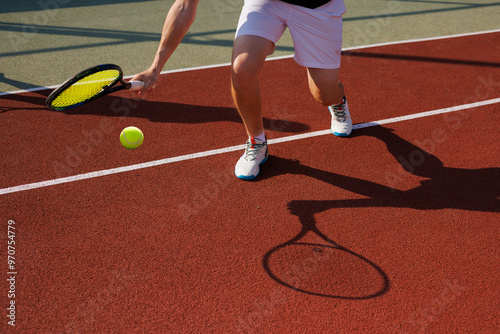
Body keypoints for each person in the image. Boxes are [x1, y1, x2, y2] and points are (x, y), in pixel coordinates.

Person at [132, 0, 352, 180]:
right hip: (267, 4)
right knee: (242, 68)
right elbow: (184, 6)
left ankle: (337, 101)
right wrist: (154, 68)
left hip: (317, 7)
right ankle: (257, 142)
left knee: (324, 94)